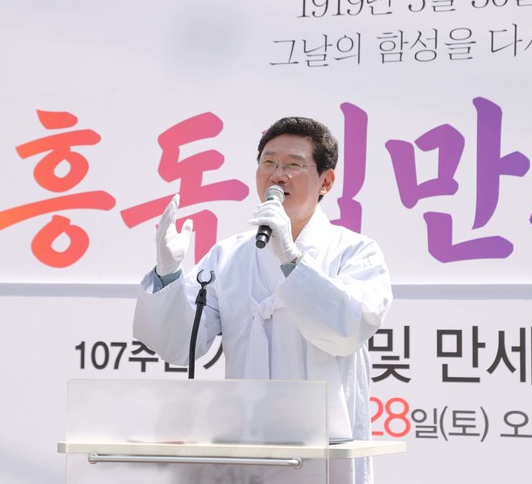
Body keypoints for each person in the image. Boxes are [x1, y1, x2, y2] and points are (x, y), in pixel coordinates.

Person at [133, 116, 393, 484]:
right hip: (244, 446)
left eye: (293, 165)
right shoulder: (228, 255)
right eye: (268, 163)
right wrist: (168, 273)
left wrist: (291, 260)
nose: (277, 176)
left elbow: (347, 330)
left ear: (326, 181)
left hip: (323, 450)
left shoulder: (355, 252)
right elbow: (179, 344)